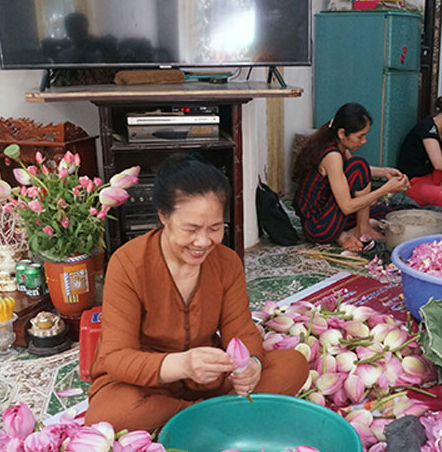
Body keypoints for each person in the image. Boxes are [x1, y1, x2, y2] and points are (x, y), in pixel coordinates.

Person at [86, 156, 309, 431]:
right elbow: (117, 357)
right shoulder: (128, 263)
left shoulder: (226, 262)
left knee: (293, 365)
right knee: (109, 415)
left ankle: (195, 422)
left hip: (211, 377)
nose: (203, 242)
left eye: (215, 228)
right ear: (163, 216)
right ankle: (218, 417)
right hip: (149, 382)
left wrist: (251, 366)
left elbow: (241, 331)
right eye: (191, 229)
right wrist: (181, 364)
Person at [291, 102, 410, 251]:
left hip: (328, 212)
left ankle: (356, 230)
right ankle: (361, 230)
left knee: (385, 213)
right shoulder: (332, 155)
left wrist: (385, 172)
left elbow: (354, 171)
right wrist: (385, 189)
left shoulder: (337, 144)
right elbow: (347, 207)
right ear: (342, 133)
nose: (364, 141)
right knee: (359, 164)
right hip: (319, 227)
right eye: (360, 136)